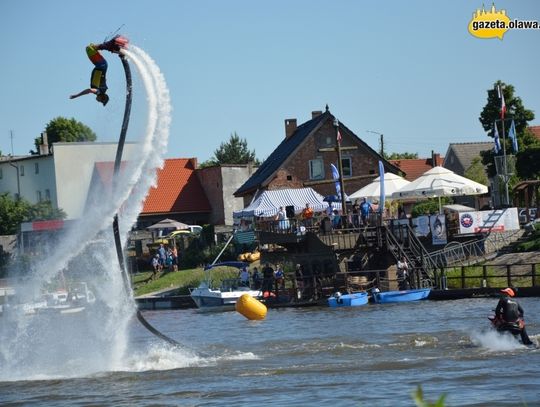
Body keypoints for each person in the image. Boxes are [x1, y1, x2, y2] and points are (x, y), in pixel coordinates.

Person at [70, 35, 128, 106]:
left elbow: (104, 79)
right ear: (102, 97)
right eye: (101, 101)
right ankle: (110, 46)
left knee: (92, 48)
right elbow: (89, 90)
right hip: (101, 65)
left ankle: (109, 47)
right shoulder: (99, 92)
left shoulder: (103, 89)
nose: (99, 101)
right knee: (89, 48)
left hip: (102, 65)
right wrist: (76, 95)